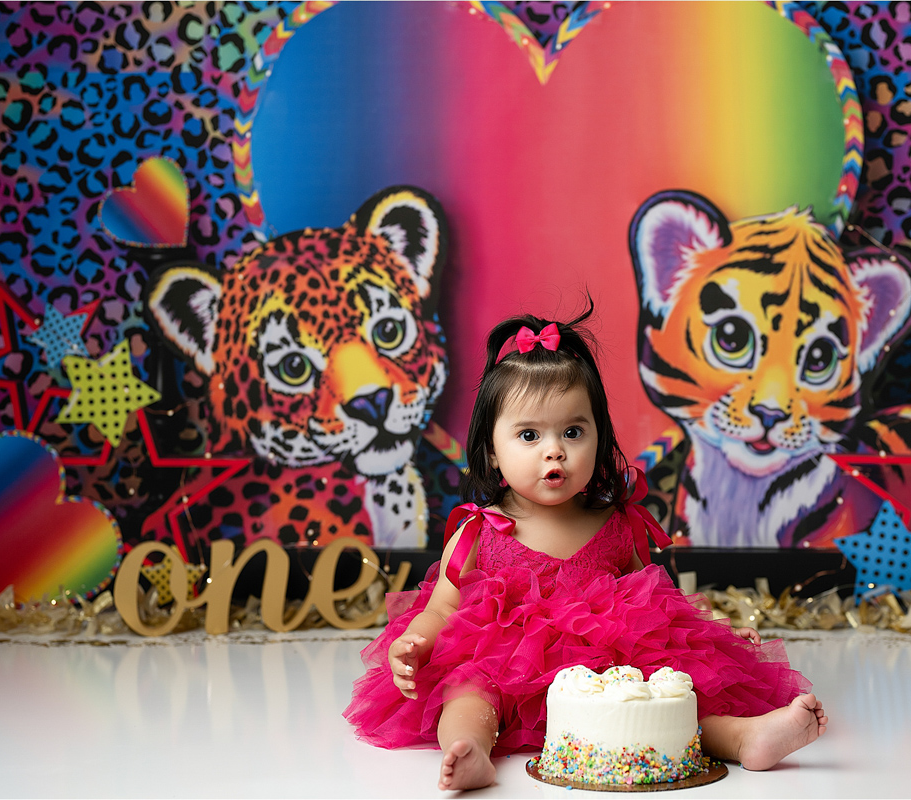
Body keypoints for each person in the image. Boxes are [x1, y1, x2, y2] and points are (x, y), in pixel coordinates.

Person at [343, 307, 826, 791]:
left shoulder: (614, 524)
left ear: (599, 436)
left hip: (611, 668)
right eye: (529, 435)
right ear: (491, 449)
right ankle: (468, 750)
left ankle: (744, 739)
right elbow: (442, 608)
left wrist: (710, 626)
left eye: (573, 432)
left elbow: (660, 603)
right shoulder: (480, 531)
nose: (554, 451)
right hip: (505, 668)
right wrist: (417, 644)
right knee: (467, 693)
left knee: (669, 699)